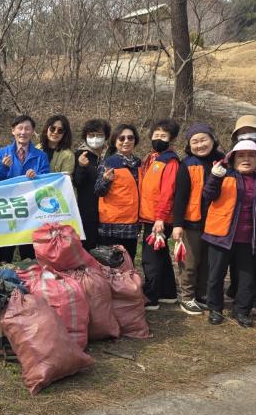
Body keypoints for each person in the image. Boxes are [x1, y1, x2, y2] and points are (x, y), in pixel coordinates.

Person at [202, 140, 256, 327]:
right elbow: (208, 195)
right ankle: (215, 309)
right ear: (233, 159)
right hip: (220, 236)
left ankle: (242, 311)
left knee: (246, 278)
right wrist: (214, 177)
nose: (246, 159)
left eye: (251, 155)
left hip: (249, 238)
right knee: (215, 275)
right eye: (241, 155)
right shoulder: (223, 176)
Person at [172, 123, 224, 315]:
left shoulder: (223, 161)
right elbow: (180, 197)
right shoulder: (187, 164)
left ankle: (202, 294)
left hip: (217, 221)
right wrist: (177, 225)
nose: (200, 145)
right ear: (189, 144)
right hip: (192, 221)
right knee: (190, 262)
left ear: (213, 140)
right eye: (195, 141)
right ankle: (186, 296)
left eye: (204, 140)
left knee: (208, 262)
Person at [229, 115, 256, 317]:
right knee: (238, 263)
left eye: (253, 131)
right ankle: (238, 294)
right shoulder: (233, 159)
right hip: (237, 224)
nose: (248, 135)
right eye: (243, 131)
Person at [0, 114, 50, 262]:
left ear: (32, 132)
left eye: (27, 129)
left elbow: (46, 183)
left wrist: (36, 178)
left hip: (30, 209)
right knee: (5, 251)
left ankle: (30, 279)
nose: (23, 132)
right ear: (13, 131)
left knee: (29, 251)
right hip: (8, 208)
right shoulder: (1, 153)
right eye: (20, 128)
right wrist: (4, 168)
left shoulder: (40, 156)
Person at [139, 119, 181, 310]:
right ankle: (168, 293)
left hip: (158, 218)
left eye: (163, 136)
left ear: (171, 139)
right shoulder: (152, 157)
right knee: (162, 255)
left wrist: (160, 218)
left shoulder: (170, 161)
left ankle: (151, 297)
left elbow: (168, 191)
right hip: (149, 214)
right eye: (156, 135)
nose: (159, 139)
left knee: (151, 258)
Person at [95, 123, 141, 262]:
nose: (126, 141)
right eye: (121, 138)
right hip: (111, 224)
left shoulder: (139, 163)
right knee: (110, 264)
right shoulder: (108, 163)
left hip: (132, 223)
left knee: (129, 261)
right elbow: (98, 191)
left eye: (130, 138)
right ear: (115, 141)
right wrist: (105, 180)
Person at [73, 119, 110, 251]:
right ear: (85, 136)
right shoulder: (80, 154)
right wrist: (82, 167)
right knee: (88, 247)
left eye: (99, 135)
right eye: (91, 135)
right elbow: (77, 182)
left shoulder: (110, 156)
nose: (95, 138)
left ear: (106, 136)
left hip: (108, 210)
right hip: (87, 210)